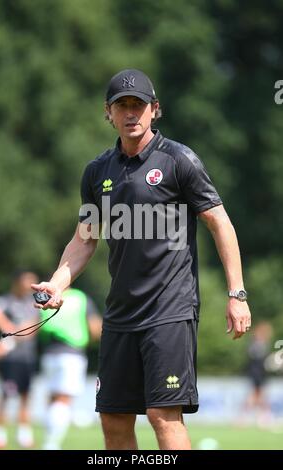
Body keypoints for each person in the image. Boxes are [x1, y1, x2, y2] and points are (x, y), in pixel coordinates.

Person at [32, 69, 252, 450]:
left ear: (155, 110)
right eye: (122, 106)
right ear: (109, 113)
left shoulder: (179, 160)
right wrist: (57, 282)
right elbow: (84, 240)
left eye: (139, 105)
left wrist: (237, 294)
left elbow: (221, 224)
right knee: (114, 419)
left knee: (162, 415)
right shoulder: (97, 171)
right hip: (120, 314)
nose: (131, 113)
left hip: (169, 310)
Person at [39, 287, 102, 450]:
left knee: (53, 398)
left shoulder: (47, 296)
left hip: (49, 353)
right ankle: (51, 444)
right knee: (64, 400)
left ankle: (49, 440)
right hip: (72, 354)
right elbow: (95, 329)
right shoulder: (80, 297)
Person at [0, 269, 39, 448]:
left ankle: (24, 433)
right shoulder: (7, 300)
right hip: (11, 360)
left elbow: (34, 327)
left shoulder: (34, 303)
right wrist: (7, 327)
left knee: (26, 396)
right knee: (6, 395)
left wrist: (16, 335)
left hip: (28, 358)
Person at [243, 322, 273, 426]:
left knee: (258, 396)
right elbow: (258, 361)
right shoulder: (256, 345)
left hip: (260, 374)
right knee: (256, 396)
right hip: (257, 374)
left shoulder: (262, 344)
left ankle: (261, 417)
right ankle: (259, 417)